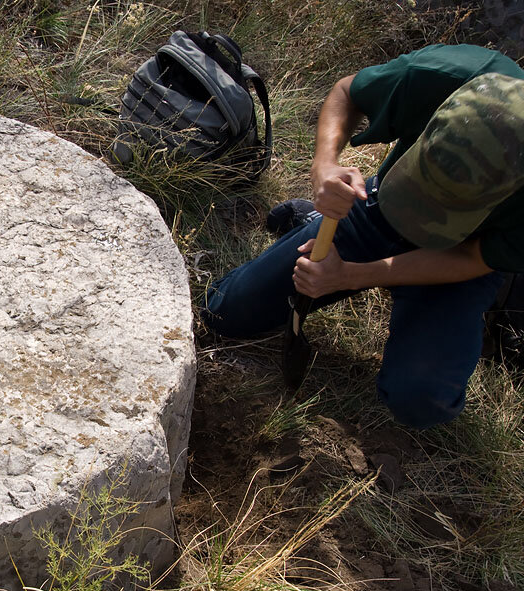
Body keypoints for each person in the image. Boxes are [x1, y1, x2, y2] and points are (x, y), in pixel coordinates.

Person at [200, 44, 524, 429]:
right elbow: (346, 92)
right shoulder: (446, 76)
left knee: (421, 403)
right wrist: (325, 167)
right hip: (379, 208)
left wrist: (351, 275)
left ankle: (499, 289)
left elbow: (474, 259)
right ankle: (315, 214)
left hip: (460, 253)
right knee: (222, 311)